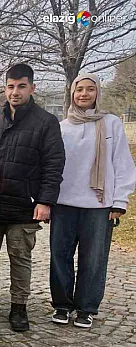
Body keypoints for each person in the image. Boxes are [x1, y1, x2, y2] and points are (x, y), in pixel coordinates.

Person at [0, 64, 66, 332]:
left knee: (20, 257)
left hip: (23, 206)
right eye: (10, 86)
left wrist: (45, 201)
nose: (15, 92)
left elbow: (54, 164)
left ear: (32, 88)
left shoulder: (46, 122)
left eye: (21, 86)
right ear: (5, 89)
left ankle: (18, 307)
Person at [50, 73, 136, 328]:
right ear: (72, 93)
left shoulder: (111, 124)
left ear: (97, 93)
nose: (84, 94)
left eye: (90, 89)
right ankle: (62, 305)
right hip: (64, 203)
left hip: (99, 205)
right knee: (60, 255)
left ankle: (86, 308)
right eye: (79, 90)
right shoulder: (62, 127)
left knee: (94, 258)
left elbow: (122, 163)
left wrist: (120, 200)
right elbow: (52, 165)